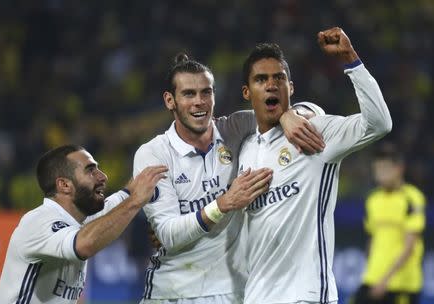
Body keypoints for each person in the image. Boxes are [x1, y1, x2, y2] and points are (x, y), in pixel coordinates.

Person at [133, 53, 325, 303]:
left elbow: (302, 109)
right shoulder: (154, 153)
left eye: (206, 92)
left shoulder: (237, 128)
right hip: (173, 293)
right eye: (189, 94)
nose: (199, 102)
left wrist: (290, 114)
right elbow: (168, 235)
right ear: (170, 100)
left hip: (234, 292)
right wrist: (223, 203)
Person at [238, 27, 392, 304]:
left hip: (306, 296)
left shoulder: (314, 132)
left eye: (279, 78)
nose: (271, 85)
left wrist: (351, 61)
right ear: (247, 92)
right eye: (262, 79)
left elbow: (380, 124)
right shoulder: (244, 150)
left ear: (291, 88)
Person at [0, 144, 167, 304]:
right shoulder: (39, 221)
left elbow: (110, 208)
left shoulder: (78, 220)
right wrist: (136, 201)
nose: (103, 176)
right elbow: (84, 244)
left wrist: (136, 187)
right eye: (91, 170)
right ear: (64, 185)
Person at [352, 142, 425, 304]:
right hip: (372, 278)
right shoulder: (373, 199)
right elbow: (372, 237)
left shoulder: (412, 198)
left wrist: (386, 279)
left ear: (399, 169)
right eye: (377, 170)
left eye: (385, 170)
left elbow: (409, 245)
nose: (380, 175)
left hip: (402, 283)